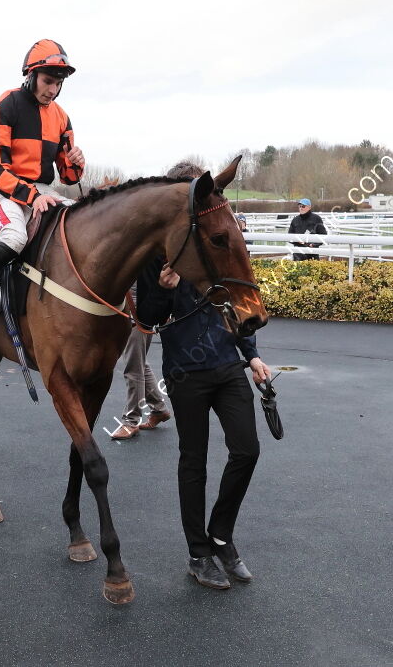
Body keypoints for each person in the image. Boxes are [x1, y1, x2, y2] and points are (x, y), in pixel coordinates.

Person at [137, 162, 271, 590]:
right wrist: (162, 285)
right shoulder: (158, 251)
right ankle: (199, 553)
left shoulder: (212, 239)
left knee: (246, 450)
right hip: (185, 372)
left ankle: (221, 535)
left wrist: (251, 356)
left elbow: (233, 300)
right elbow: (149, 319)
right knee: (193, 462)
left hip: (227, 365)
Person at [0, 39, 86, 332]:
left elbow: (69, 177)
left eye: (58, 84)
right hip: (7, 191)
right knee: (14, 239)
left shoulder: (61, 117)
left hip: (45, 189)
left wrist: (76, 161)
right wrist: (31, 194)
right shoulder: (3, 106)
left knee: (83, 223)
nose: (53, 90)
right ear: (31, 75)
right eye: (48, 81)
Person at [108, 319, 172, 440]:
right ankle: (159, 409)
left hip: (134, 318)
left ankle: (131, 421)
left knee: (133, 369)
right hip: (138, 319)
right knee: (139, 363)